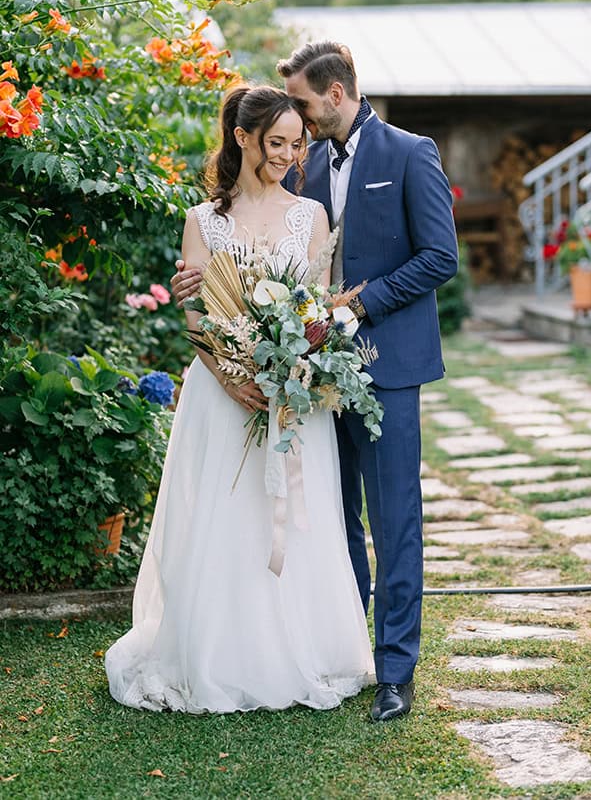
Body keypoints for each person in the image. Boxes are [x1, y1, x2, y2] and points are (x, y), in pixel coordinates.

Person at [171, 43, 458, 723]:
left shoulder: (408, 154)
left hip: (384, 368)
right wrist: (206, 294)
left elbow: (440, 256)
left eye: (299, 101)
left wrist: (354, 305)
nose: (291, 118)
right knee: (331, 516)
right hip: (309, 377)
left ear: (333, 92)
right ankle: (346, 646)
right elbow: (259, 247)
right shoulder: (311, 161)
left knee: (394, 520)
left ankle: (395, 671)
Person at [105, 85, 375, 714]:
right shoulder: (204, 221)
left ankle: (301, 648)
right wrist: (231, 376)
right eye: (275, 142)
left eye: (295, 144)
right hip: (221, 392)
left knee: (289, 520)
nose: (286, 154)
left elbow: (320, 309)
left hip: (290, 393)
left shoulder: (312, 218)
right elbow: (196, 314)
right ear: (243, 138)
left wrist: (296, 365)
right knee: (225, 519)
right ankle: (218, 653)